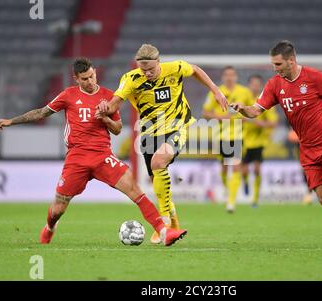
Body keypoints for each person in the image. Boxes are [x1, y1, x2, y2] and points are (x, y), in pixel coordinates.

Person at [0, 57, 187, 246]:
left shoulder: (109, 97)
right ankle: (50, 227)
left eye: (92, 76)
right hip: (76, 157)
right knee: (58, 208)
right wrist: (12, 121)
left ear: (95, 72)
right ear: (76, 79)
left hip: (103, 156)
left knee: (135, 190)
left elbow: (118, 129)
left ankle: (164, 232)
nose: (90, 81)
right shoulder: (68, 95)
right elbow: (41, 113)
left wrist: (105, 118)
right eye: (84, 79)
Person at [230, 40, 322, 249]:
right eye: (273, 64)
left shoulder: (315, 78)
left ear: (291, 61)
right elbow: (256, 110)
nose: (274, 69)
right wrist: (241, 108)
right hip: (307, 147)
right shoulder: (275, 84)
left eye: (278, 64)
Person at [96, 44, 228, 243]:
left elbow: (196, 70)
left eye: (151, 68)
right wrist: (106, 108)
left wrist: (216, 90)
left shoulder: (174, 68)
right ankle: (174, 224)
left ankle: (163, 223)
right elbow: (116, 101)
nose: (147, 73)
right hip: (150, 132)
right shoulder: (131, 79)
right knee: (157, 180)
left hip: (177, 126)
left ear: (159, 62)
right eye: (143, 69)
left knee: (158, 163)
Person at [202, 66, 253, 213]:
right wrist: (220, 117)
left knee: (236, 166)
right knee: (224, 169)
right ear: (223, 77)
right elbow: (205, 112)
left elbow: (253, 109)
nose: (229, 77)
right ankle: (227, 191)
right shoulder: (216, 92)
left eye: (232, 75)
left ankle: (231, 202)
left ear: (236, 77)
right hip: (220, 136)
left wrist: (245, 117)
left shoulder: (244, 92)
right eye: (227, 75)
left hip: (237, 135)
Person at [241, 75, 279, 208]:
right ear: (249, 85)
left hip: (259, 141)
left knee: (257, 169)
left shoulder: (264, 101)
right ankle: (245, 182)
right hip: (244, 140)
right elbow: (233, 117)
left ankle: (255, 199)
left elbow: (273, 123)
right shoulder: (243, 98)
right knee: (244, 170)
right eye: (253, 84)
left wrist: (259, 123)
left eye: (258, 84)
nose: (255, 86)